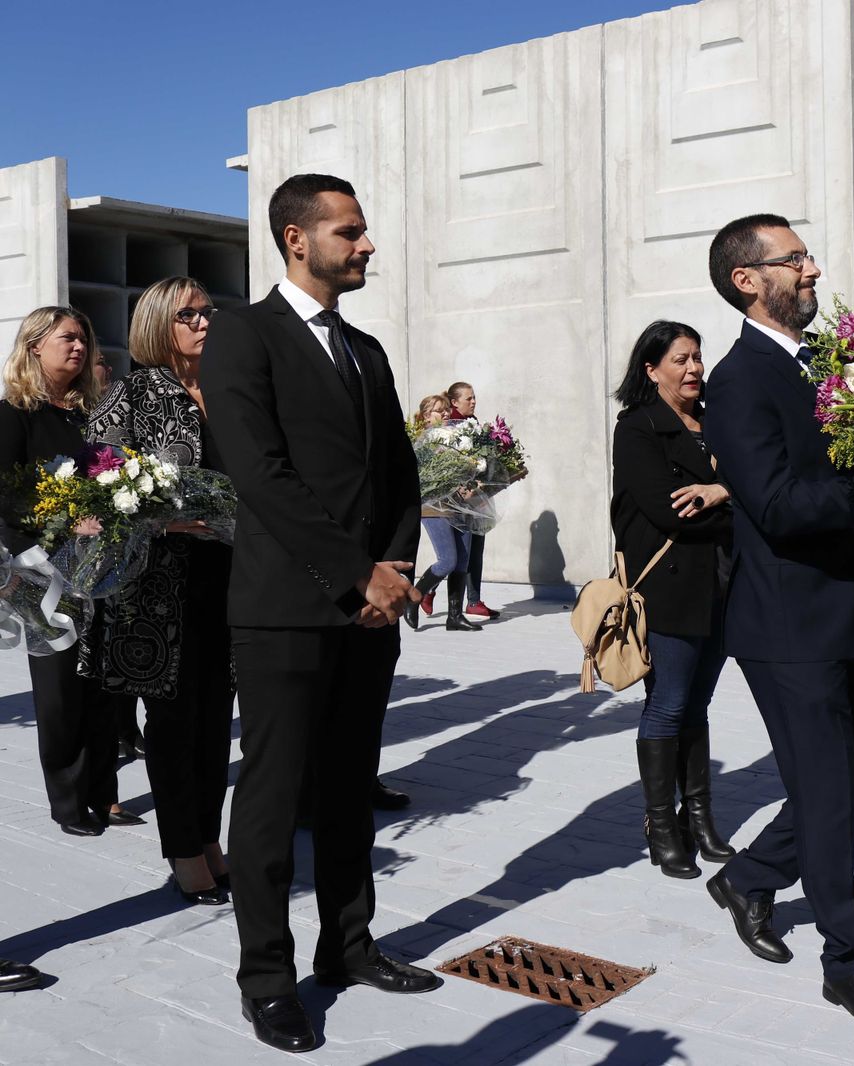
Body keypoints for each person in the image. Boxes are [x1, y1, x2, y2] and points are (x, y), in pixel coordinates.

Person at [201, 173, 436, 1053]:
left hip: (369, 611)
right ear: (297, 240)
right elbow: (262, 477)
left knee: (347, 789)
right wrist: (355, 574)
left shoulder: (366, 350)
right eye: (351, 231)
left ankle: (349, 945)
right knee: (270, 799)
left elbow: (400, 476)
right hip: (284, 610)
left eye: (364, 230)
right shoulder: (243, 335)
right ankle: (267, 978)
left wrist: (397, 567)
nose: (367, 244)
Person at [701, 213, 854, 1029]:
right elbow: (777, 505)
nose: (814, 270)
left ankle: (751, 877)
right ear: (747, 281)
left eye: (806, 257)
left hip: (847, 612)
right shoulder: (738, 381)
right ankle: (851, 963)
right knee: (830, 798)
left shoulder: (827, 365)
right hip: (787, 627)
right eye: (794, 260)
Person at [84, 278, 233, 907]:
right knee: (173, 721)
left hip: (229, 571)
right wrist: (160, 518)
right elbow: (92, 482)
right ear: (156, 324)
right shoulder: (132, 393)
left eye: (207, 312)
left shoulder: (228, 390)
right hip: (154, 583)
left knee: (217, 718)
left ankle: (209, 836)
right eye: (188, 315)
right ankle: (183, 851)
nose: (203, 323)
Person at [611, 320, 738, 879]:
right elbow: (671, 512)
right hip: (669, 587)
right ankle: (662, 826)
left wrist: (724, 492)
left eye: (697, 357)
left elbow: (751, 485)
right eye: (680, 359)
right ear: (651, 368)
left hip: (723, 582)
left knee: (698, 705)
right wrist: (737, 502)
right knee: (668, 703)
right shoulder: (638, 428)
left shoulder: (717, 420)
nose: (693, 369)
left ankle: (701, 817)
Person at [0, 308, 118, 839]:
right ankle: (68, 802)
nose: (79, 347)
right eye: (67, 338)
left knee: (99, 684)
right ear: (33, 346)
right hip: (38, 570)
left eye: (83, 339)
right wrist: (43, 548)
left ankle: (102, 794)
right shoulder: (11, 416)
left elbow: (108, 481)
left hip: (98, 568)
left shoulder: (84, 417)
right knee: (59, 688)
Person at [90, 347, 147, 761]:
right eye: (100, 362)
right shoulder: (84, 418)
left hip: (132, 550)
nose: (106, 369)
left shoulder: (127, 410)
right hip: (95, 555)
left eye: (108, 363)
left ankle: (127, 727)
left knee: (128, 643)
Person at [405, 392, 481, 633]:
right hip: (433, 507)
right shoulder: (421, 441)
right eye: (440, 410)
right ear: (427, 416)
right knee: (448, 559)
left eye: (447, 409)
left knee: (463, 561)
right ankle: (414, 597)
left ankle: (455, 616)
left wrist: (473, 483)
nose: (447, 413)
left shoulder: (458, 438)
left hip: (460, 505)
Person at [445, 381, 500, 621]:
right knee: (458, 553)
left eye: (474, 397)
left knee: (476, 549)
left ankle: (474, 601)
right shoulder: (448, 427)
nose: (474, 401)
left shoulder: (474, 424)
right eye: (469, 398)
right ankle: (427, 590)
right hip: (458, 501)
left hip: (476, 498)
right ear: (455, 402)